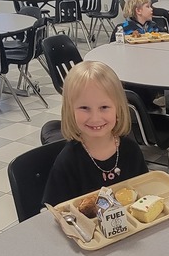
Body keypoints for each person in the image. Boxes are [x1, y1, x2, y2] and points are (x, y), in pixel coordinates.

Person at [42, 62, 147, 207]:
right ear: (70, 111)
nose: (95, 118)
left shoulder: (131, 151)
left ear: (118, 108)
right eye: (84, 108)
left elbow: (144, 195)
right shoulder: (68, 161)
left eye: (104, 107)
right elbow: (56, 212)